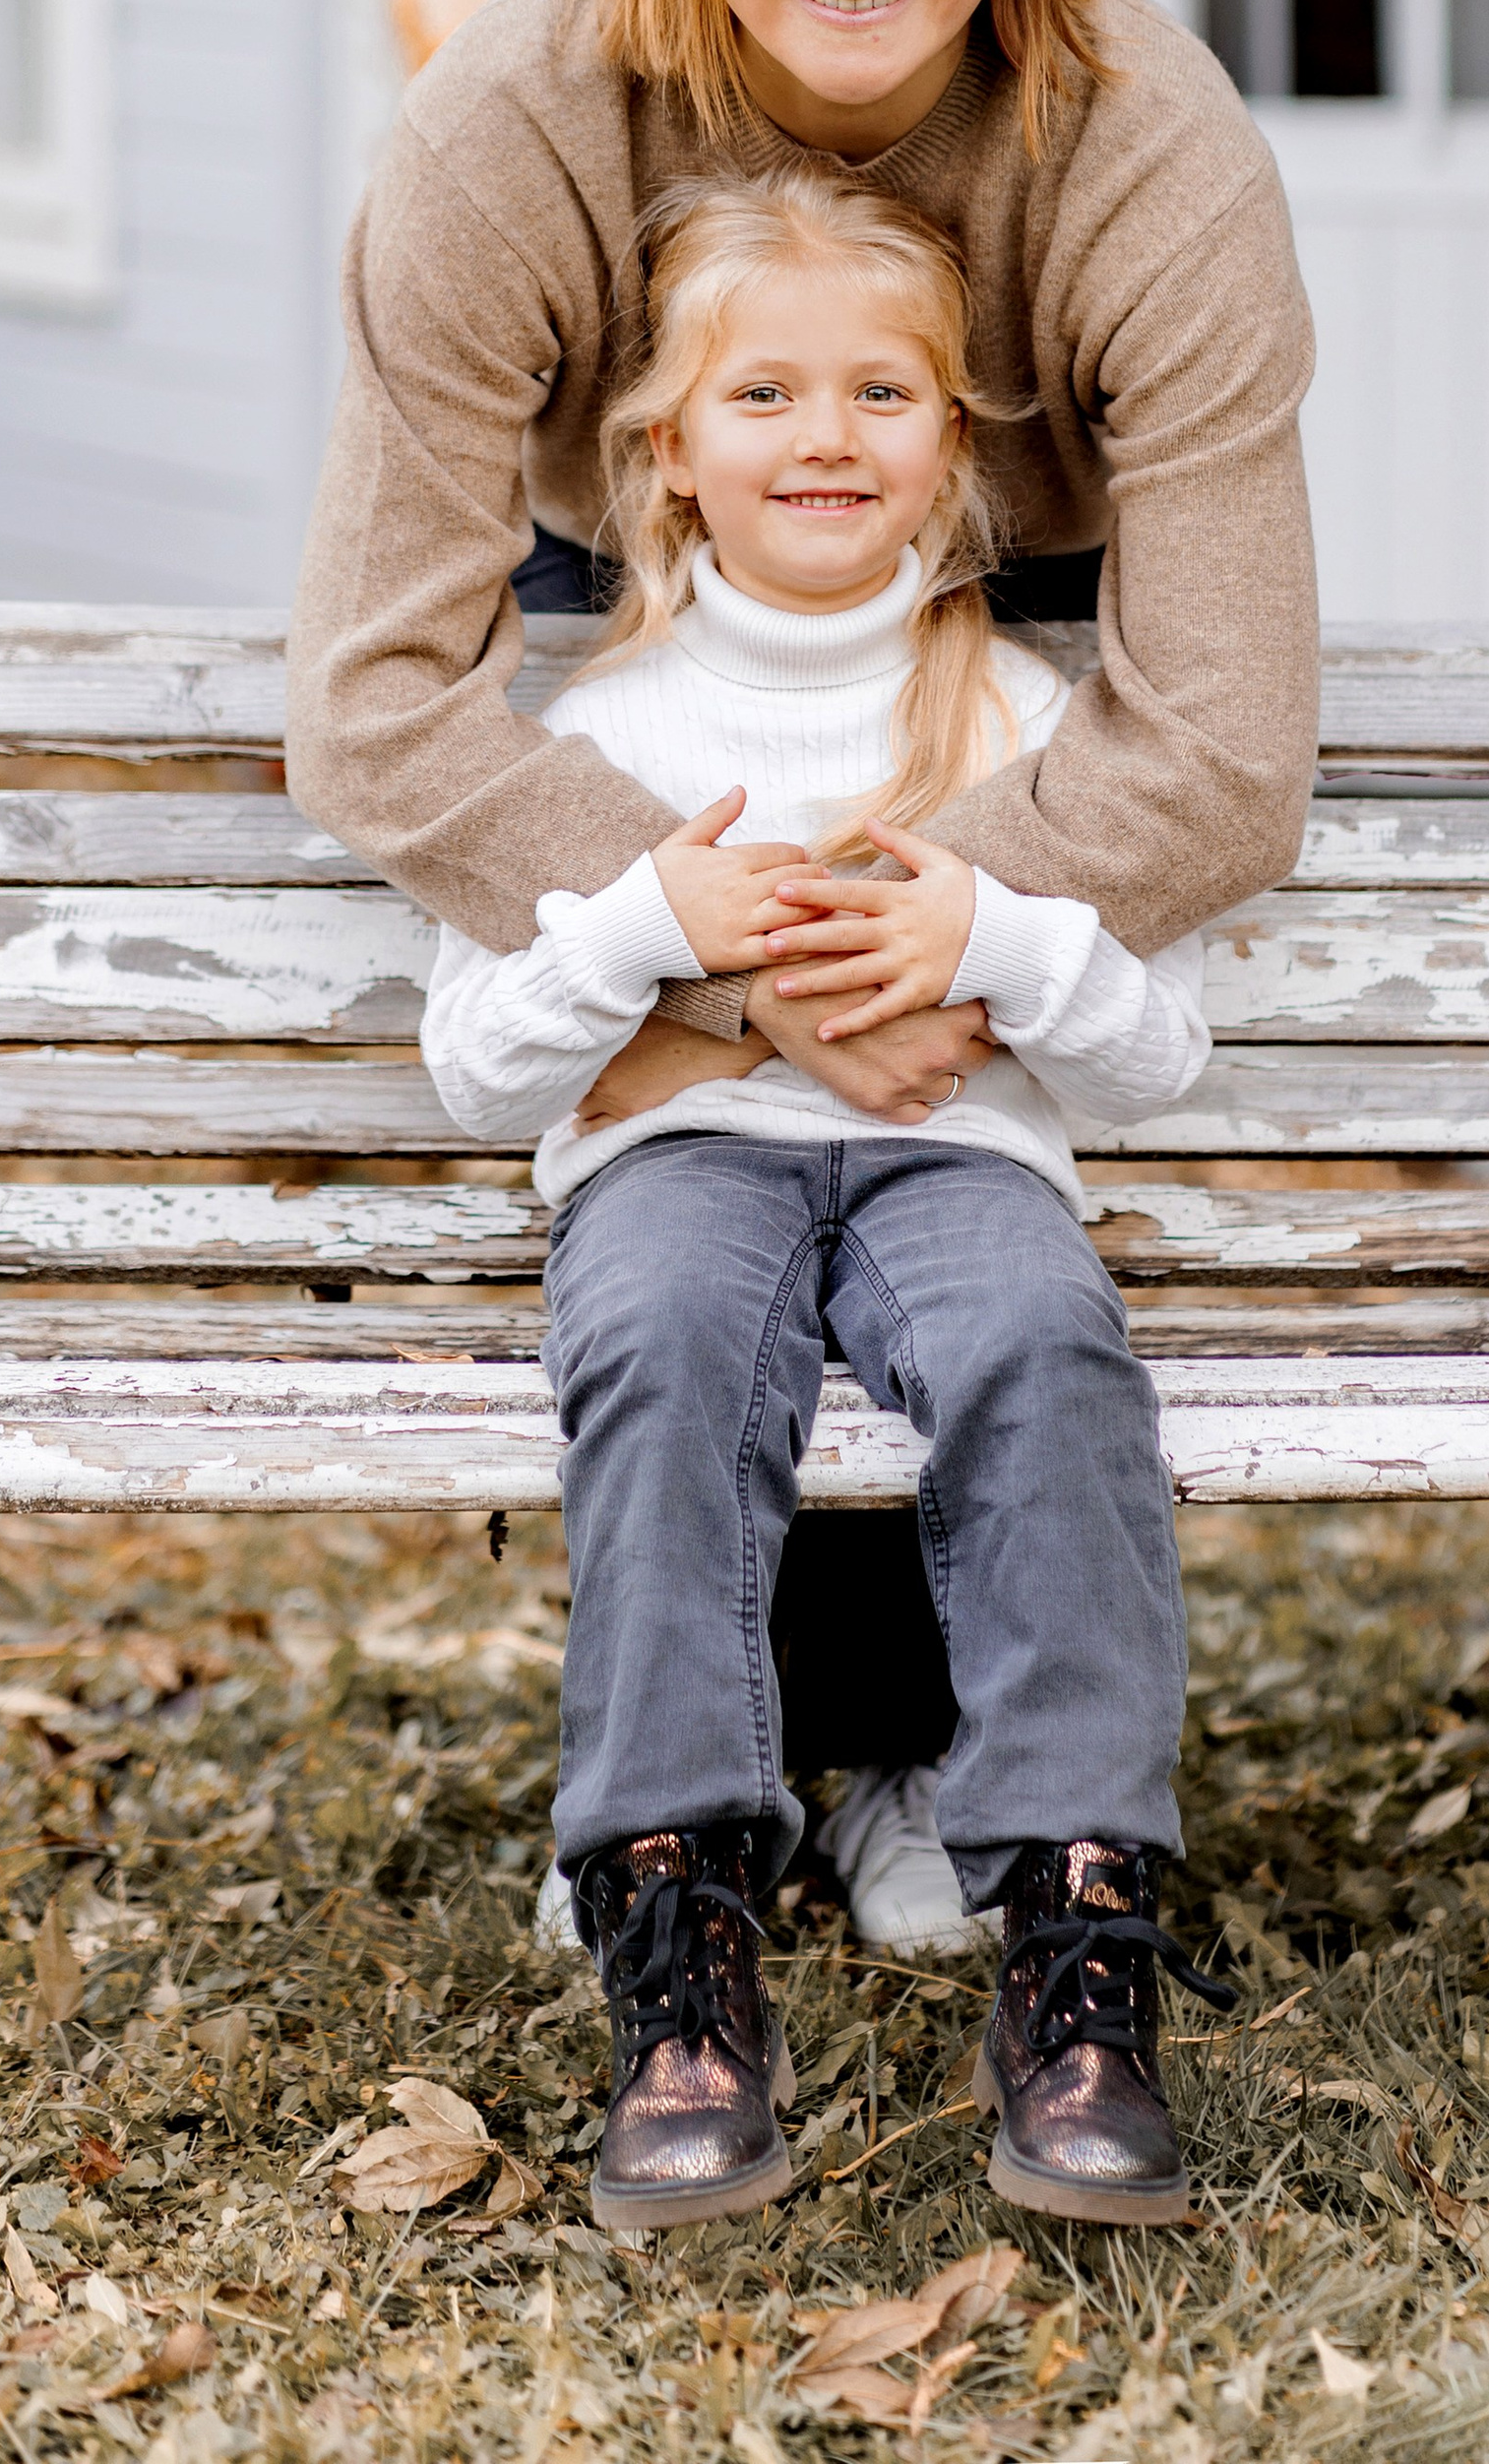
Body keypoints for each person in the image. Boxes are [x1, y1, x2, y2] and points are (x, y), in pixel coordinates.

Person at [285, 0, 1320, 1941]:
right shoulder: (509, 130)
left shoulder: (1151, 157)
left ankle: (931, 1753)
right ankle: (724, 1771)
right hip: (656, 604)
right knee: (710, 1225)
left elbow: (1216, 739)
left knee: (952, 1218)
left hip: (1018, 620)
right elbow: (377, 692)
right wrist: (738, 958)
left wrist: (887, 938)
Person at [420, 170, 1234, 2230]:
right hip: (673, 1174)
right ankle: (676, 1924)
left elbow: (1155, 1055)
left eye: (881, 391)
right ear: (666, 453)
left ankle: (1075, 1934)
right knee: (662, 1345)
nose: (825, 436)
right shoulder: (591, 732)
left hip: (961, 1161)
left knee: (1043, 1346)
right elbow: (480, 1070)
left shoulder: (1029, 723)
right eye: (762, 392)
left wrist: (998, 936)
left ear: (951, 444)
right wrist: (642, 925)